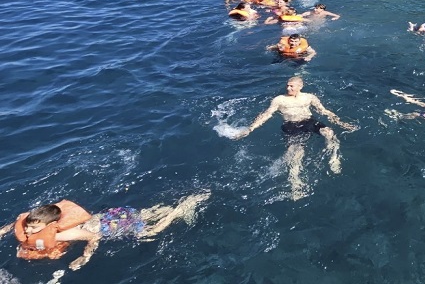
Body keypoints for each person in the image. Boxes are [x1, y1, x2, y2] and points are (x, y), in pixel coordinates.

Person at [0, 193, 210, 271]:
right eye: (28, 226)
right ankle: (166, 208)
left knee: (149, 232)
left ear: (50, 225)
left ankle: (179, 210)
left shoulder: (63, 234)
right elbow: (14, 224)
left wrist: (85, 257)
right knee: (142, 215)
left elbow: (94, 236)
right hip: (112, 215)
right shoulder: (31, 221)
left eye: (33, 228)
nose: (28, 229)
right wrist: (3, 231)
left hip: (111, 226)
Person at [231, 76, 356, 200]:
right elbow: (267, 114)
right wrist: (251, 128)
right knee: (296, 154)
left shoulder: (309, 97)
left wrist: (341, 123)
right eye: (287, 85)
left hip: (309, 121)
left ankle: (333, 158)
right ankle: (295, 183)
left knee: (329, 133)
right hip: (291, 126)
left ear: (300, 86)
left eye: (291, 86)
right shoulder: (279, 100)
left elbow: (324, 111)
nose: (288, 88)